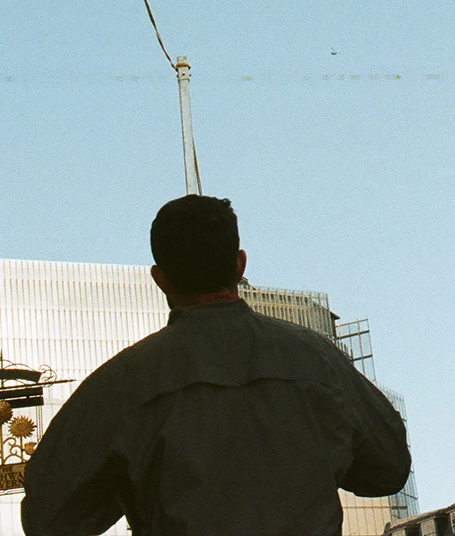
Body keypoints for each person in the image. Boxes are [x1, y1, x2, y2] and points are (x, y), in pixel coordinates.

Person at [22, 196, 411, 535]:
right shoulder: (318, 360)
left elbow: (48, 517)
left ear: (160, 278)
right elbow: (390, 469)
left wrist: (129, 490)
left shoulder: (122, 384)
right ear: (239, 264)